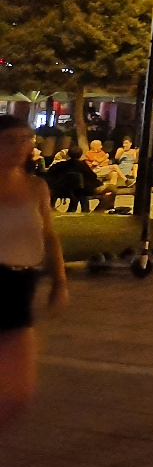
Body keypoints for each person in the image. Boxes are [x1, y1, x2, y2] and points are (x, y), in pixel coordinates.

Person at [0, 116, 67, 433]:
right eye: (9, 140)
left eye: (25, 139)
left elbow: (49, 235)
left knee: (20, 390)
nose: (19, 147)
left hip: (22, 285)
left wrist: (59, 281)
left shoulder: (36, 187)